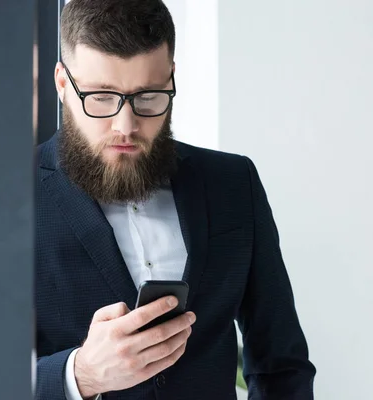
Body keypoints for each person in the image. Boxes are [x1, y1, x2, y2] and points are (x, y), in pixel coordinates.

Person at [35, 0, 316, 399]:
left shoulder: (234, 183)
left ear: (171, 79)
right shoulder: (10, 198)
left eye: (148, 97)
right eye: (100, 97)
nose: (125, 126)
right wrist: (80, 375)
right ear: (63, 84)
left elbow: (281, 362)